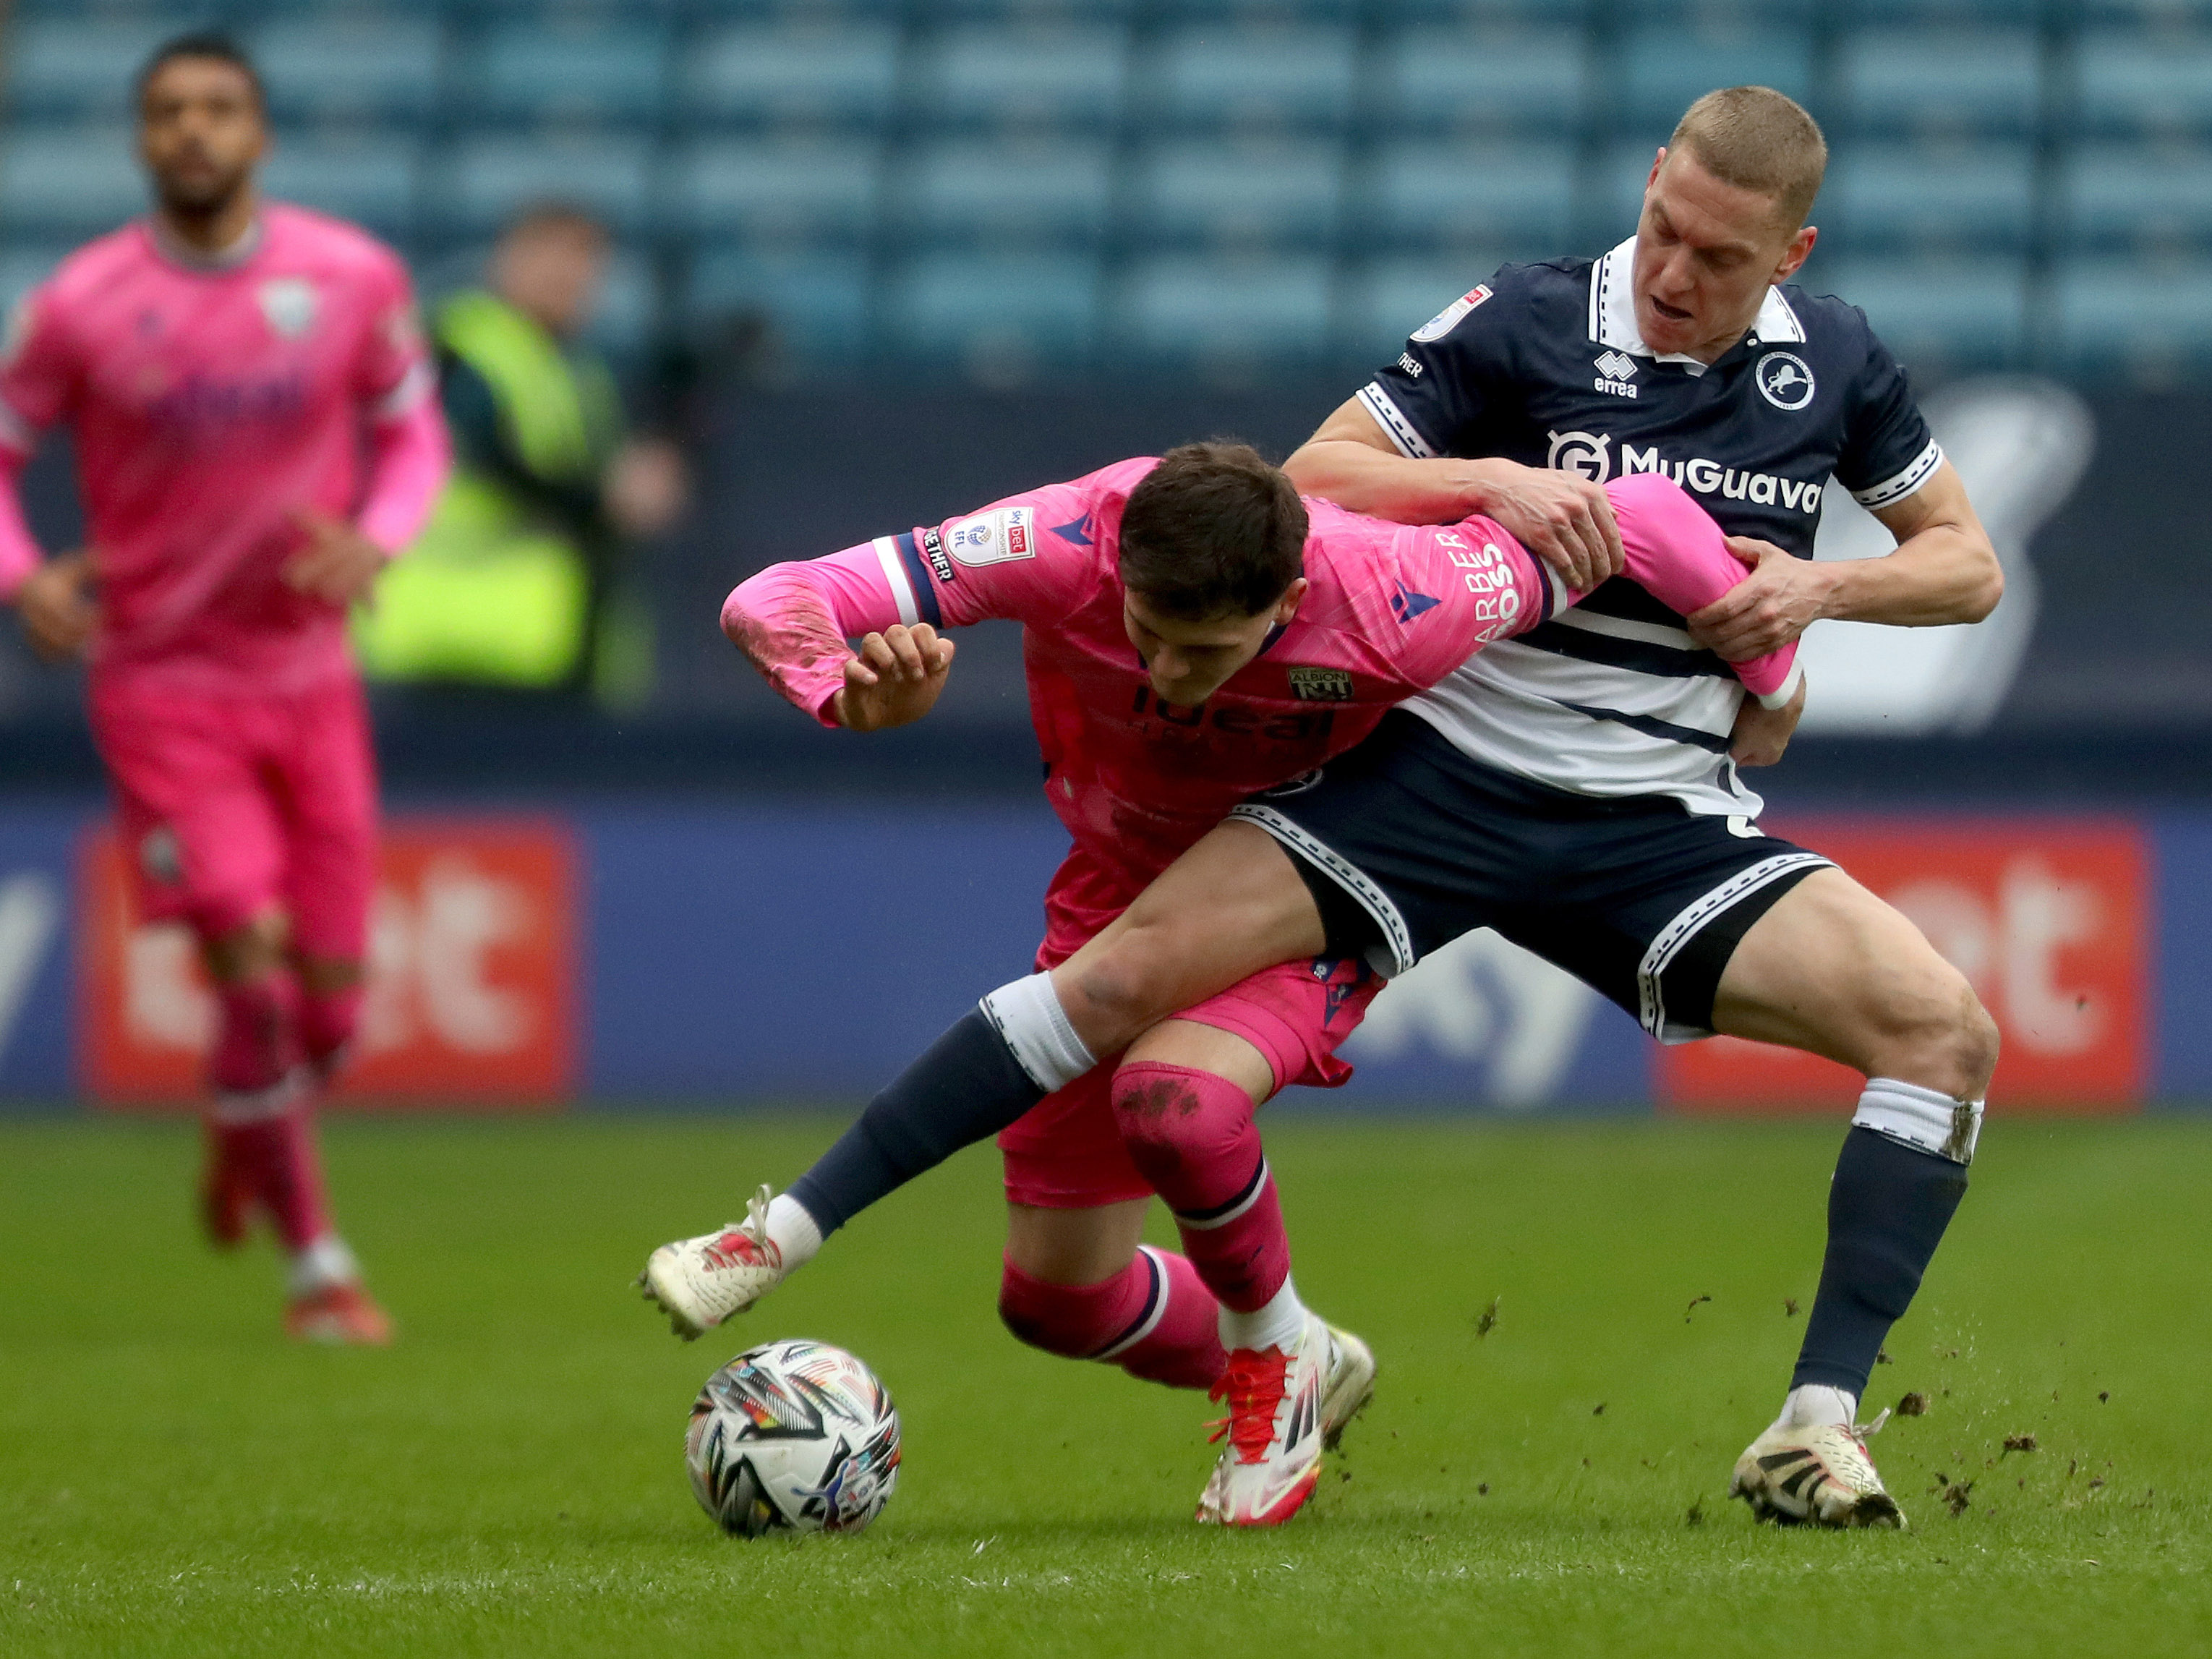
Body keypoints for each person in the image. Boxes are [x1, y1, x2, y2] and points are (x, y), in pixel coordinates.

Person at [642, 87, 2004, 1530]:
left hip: (1654, 810)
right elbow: (1314, 475)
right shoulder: (1520, 323)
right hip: (1431, 776)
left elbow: (1962, 566)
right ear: (1649, 174)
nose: (1673, 274)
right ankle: (792, 1232)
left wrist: (1805, 598)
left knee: (1942, 1031)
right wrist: (1494, 476)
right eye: (1662, 227)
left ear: (1787, 254)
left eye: (1718, 259)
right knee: (1107, 1035)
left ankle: (1810, 1425)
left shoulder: (1839, 365)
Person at [642, 440, 1796, 1525]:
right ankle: (1293, 1343)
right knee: (1056, 1301)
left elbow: (1640, 516)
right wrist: (845, 691)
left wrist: (1771, 674)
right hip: (1122, 891)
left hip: (1316, 885)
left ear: (1288, 605)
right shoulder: (1058, 542)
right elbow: (773, 598)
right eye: (1146, 633)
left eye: (1208, 650)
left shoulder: (1400, 601)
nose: (1166, 672)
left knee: (1178, 1105)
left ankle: (1256, 1369)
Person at [0, 35, 448, 1342]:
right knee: (249, 977)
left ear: (258, 132)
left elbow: (414, 428)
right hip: (161, 680)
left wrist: (381, 531)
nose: (194, 131)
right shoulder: (82, 302)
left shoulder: (351, 275)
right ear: (143, 140)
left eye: (217, 109)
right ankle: (318, 1267)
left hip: (310, 677)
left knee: (328, 1007)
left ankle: (244, 1122)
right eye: (169, 113)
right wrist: (26, 574)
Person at [352, 204, 684, 704]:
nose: (568, 277)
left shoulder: (577, 370)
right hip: (449, 645)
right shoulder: (457, 344)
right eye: (550, 256)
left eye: (585, 262)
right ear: (506, 259)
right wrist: (605, 499)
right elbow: (485, 453)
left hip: (546, 643)